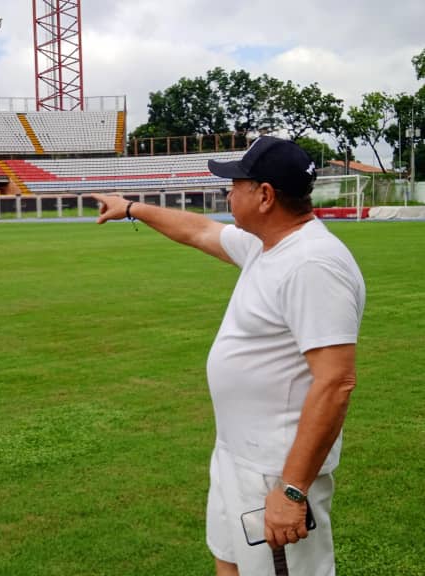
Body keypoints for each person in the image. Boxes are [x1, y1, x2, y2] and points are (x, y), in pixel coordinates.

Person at [93, 136, 365, 576]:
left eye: (235, 183)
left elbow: (335, 382)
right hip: (236, 455)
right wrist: (131, 208)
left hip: (275, 471)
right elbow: (199, 230)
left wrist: (292, 491)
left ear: (265, 195)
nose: (227, 192)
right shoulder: (268, 245)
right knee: (231, 564)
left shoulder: (313, 263)